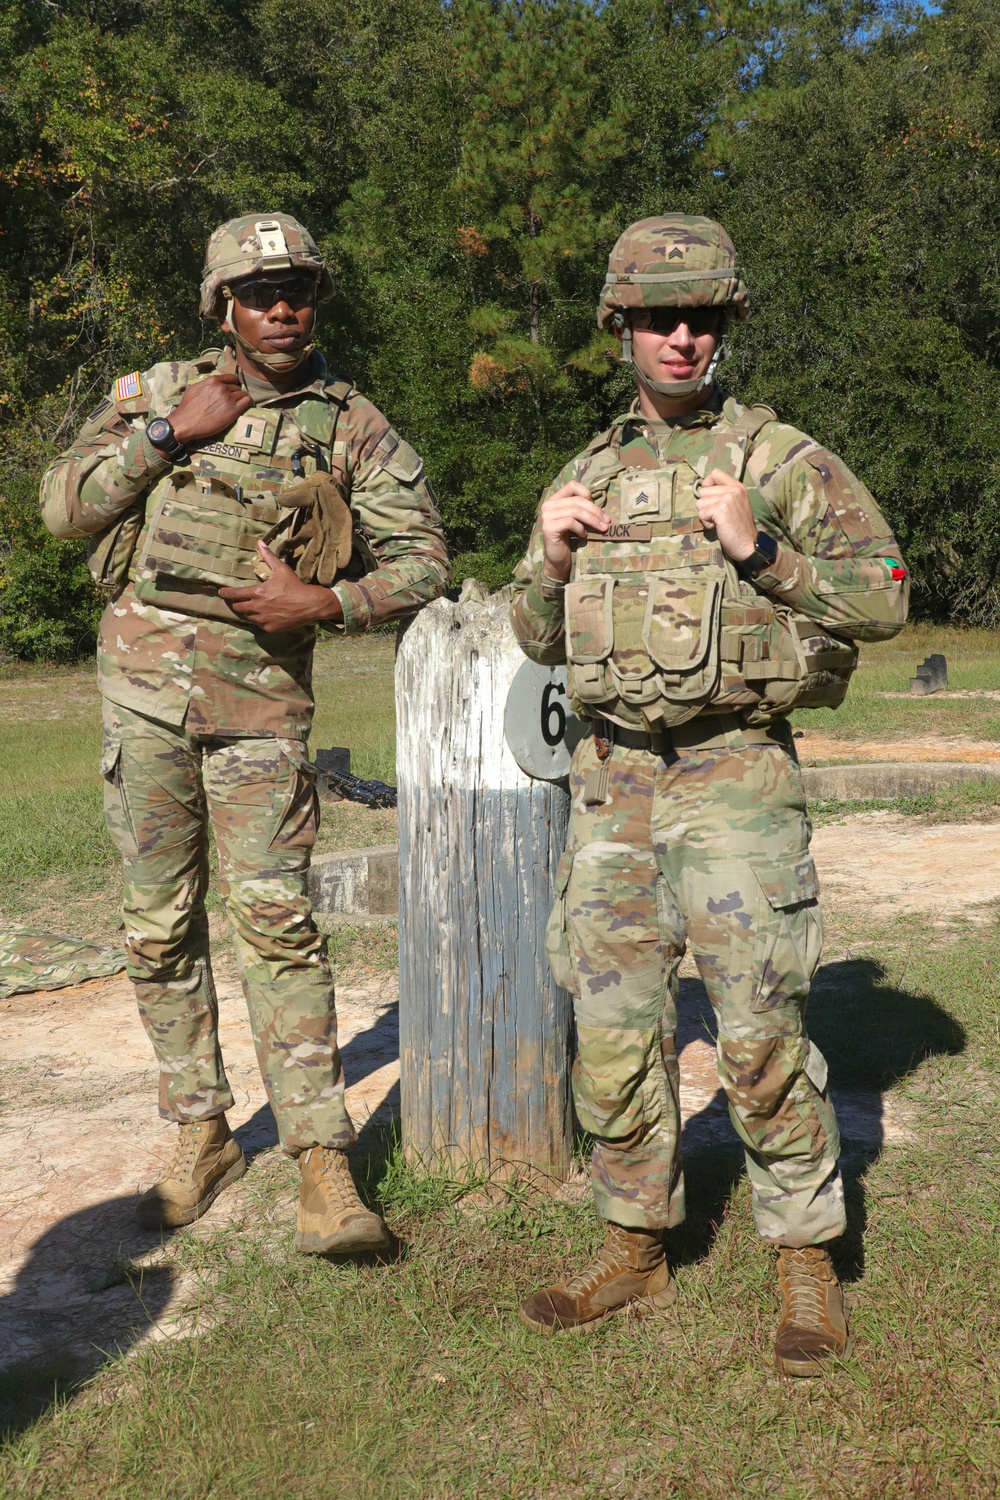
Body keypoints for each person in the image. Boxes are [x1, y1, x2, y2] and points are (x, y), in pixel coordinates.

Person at [509, 215, 908, 1375]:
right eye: (655, 318)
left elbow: (883, 595)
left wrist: (759, 552)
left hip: (735, 775)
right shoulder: (585, 472)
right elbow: (532, 636)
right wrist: (545, 556)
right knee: (612, 1031)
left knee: (759, 1032)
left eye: (699, 318)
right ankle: (633, 1239)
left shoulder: (780, 460)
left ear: (725, 325)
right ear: (619, 326)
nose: (678, 338)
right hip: (610, 784)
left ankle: (803, 1253)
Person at [41, 214, 448, 1254]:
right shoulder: (158, 395)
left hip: (261, 712)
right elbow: (63, 508)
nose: (281, 307)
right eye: (259, 290)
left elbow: (423, 561)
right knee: (157, 925)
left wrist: (330, 607)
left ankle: (322, 1163)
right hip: (143, 699)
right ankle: (202, 1131)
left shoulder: (352, 425)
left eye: (298, 288)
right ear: (222, 304)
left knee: (277, 925)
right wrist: (171, 433)